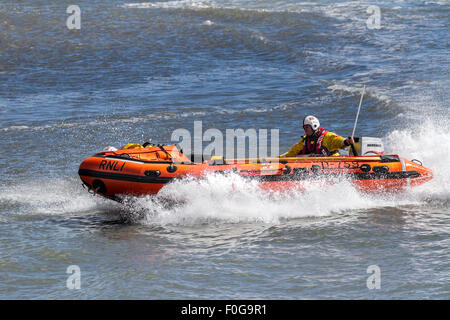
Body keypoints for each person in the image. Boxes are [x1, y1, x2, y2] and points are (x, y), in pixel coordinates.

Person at [280, 115, 354, 157]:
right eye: (304, 127)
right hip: (317, 167)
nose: (305, 130)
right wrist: (279, 158)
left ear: (314, 126)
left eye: (307, 127)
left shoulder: (327, 136)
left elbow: (338, 141)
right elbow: (293, 152)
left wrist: (346, 141)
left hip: (333, 164)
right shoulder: (305, 141)